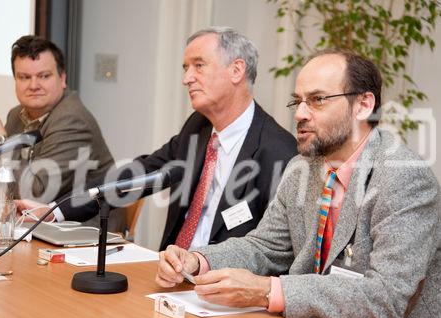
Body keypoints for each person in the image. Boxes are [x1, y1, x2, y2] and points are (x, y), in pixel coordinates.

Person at [155, 49, 440, 318]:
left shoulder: (404, 176)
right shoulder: (301, 167)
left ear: (363, 105)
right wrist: (198, 260)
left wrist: (268, 291)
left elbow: (386, 298)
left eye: (317, 100)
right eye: (298, 101)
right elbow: (265, 247)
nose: (300, 114)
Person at [17, 27, 298, 250]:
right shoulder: (198, 128)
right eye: (185, 68)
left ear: (237, 70)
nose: (187, 78)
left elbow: (273, 249)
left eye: (198, 66)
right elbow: (140, 172)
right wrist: (57, 211)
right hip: (170, 274)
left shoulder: (279, 151)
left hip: (225, 293)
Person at [0, 35, 114, 206]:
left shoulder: (72, 121)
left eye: (44, 76)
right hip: (35, 222)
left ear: (62, 79)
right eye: (24, 77)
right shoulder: (17, 115)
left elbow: (36, 194)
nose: (33, 85)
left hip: (82, 226)